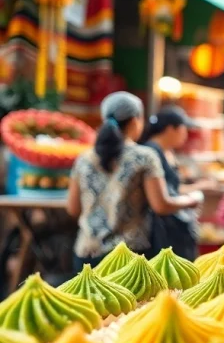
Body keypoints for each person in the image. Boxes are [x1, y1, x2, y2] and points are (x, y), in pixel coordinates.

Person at [67, 92, 202, 269]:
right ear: (134, 121)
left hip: (87, 254)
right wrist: (192, 200)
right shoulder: (144, 157)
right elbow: (161, 205)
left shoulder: (84, 159)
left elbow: (73, 208)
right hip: (129, 260)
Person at [138, 106, 214, 259]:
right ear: (170, 129)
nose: (186, 134)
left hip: (171, 227)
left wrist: (198, 187)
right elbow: (159, 200)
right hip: (157, 231)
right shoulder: (151, 153)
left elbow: (171, 188)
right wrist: (190, 201)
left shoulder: (166, 152)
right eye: (184, 128)